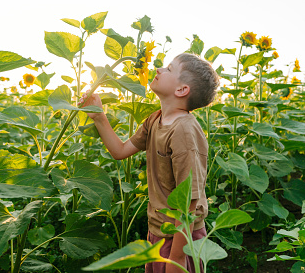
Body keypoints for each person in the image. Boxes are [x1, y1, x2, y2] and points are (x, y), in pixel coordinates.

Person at [79, 53, 220, 273]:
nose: (159, 70)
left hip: (182, 237)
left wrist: (178, 259)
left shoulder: (184, 130)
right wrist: (99, 115)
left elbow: (188, 203)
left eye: (169, 69)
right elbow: (120, 151)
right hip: (158, 230)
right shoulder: (155, 119)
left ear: (182, 90)